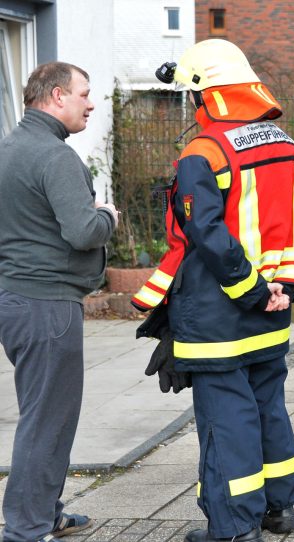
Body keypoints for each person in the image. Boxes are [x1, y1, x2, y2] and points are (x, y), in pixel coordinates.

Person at [132, 40, 294, 542]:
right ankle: (279, 508)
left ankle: (234, 528)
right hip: (275, 307)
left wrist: (251, 290)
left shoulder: (204, 152)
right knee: (267, 406)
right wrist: (282, 290)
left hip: (221, 312)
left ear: (204, 96)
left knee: (226, 420)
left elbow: (208, 235)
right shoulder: (286, 144)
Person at [0, 62, 118, 542]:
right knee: (48, 421)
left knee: (40, 414)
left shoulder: (8, 148)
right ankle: (27, 529)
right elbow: (83, 230)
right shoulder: (55, 156)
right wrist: (107, 215)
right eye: (84, 94)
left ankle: (43, 514)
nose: (90, 104)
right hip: (47, 306)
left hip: (14, 300)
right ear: (55, 96)